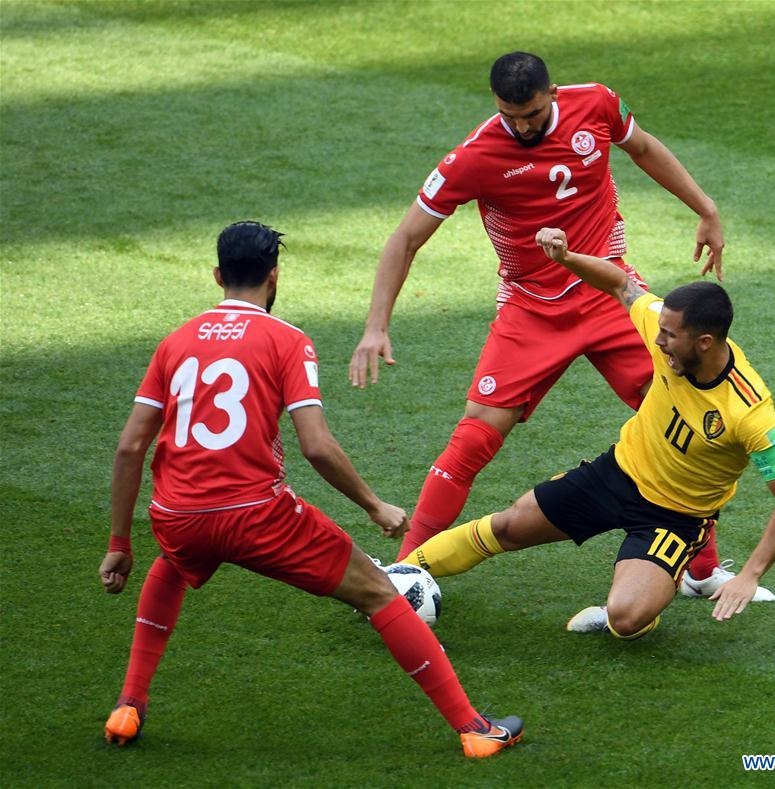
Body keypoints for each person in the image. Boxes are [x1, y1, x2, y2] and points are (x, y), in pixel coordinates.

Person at [98, 221, 523, 759]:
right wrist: (374, 505)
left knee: (174, 563)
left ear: (216, 276)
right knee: (378, 592)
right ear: (273, 278)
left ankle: (129, 705)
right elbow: (316, 446)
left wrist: (119, 543)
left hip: (177, 515)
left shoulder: (175, 343)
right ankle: (474, 728)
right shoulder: (287, 340)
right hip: (256, 515)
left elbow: (130, 447)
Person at [349, 51, 763, 599]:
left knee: (681, 416)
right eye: (508, 116)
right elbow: (406, 237)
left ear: (553, 94)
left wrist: (706, 208)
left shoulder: (595, 103)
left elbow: (642, 147)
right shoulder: (474, 156)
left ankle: (702, 570)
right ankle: (403, 574)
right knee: (473, 439)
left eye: (533, 115)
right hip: (530, 309)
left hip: (610, 294)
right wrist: (376, 326)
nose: (521, 127)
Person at [399, 227, 775, 638]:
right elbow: (619, 282)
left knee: (626, 620)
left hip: (675, 517)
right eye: (660, 330)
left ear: (703, 342)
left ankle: (649, 593)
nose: (659, 342)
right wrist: (566, 259)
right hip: (616, 474)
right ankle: (401, 576)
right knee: (506, 527)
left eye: (669, 336)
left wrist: (750, 575)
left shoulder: (750, 410)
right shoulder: (663, 329)